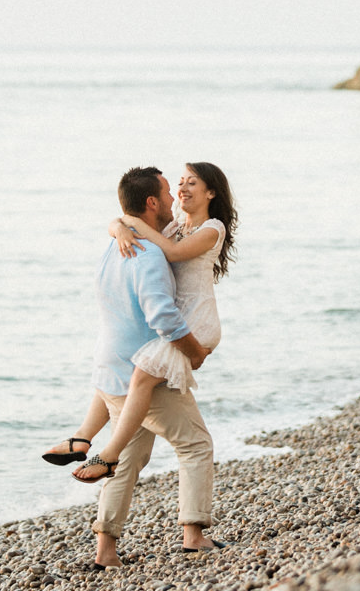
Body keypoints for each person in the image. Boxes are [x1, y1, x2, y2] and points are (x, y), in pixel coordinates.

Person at [42, 165, 226, 569]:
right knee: (195, 445)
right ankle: (194, 535)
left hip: (108, 368)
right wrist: (193, 351)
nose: (177, 191)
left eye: (187, 183)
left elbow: (123, 222)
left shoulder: (117, 246)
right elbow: (164, 316)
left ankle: (105, 551)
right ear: (152, 202)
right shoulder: (150, 253)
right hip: (141, 372)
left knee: (128, 459)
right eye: (170, 187)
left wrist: (121, 226)